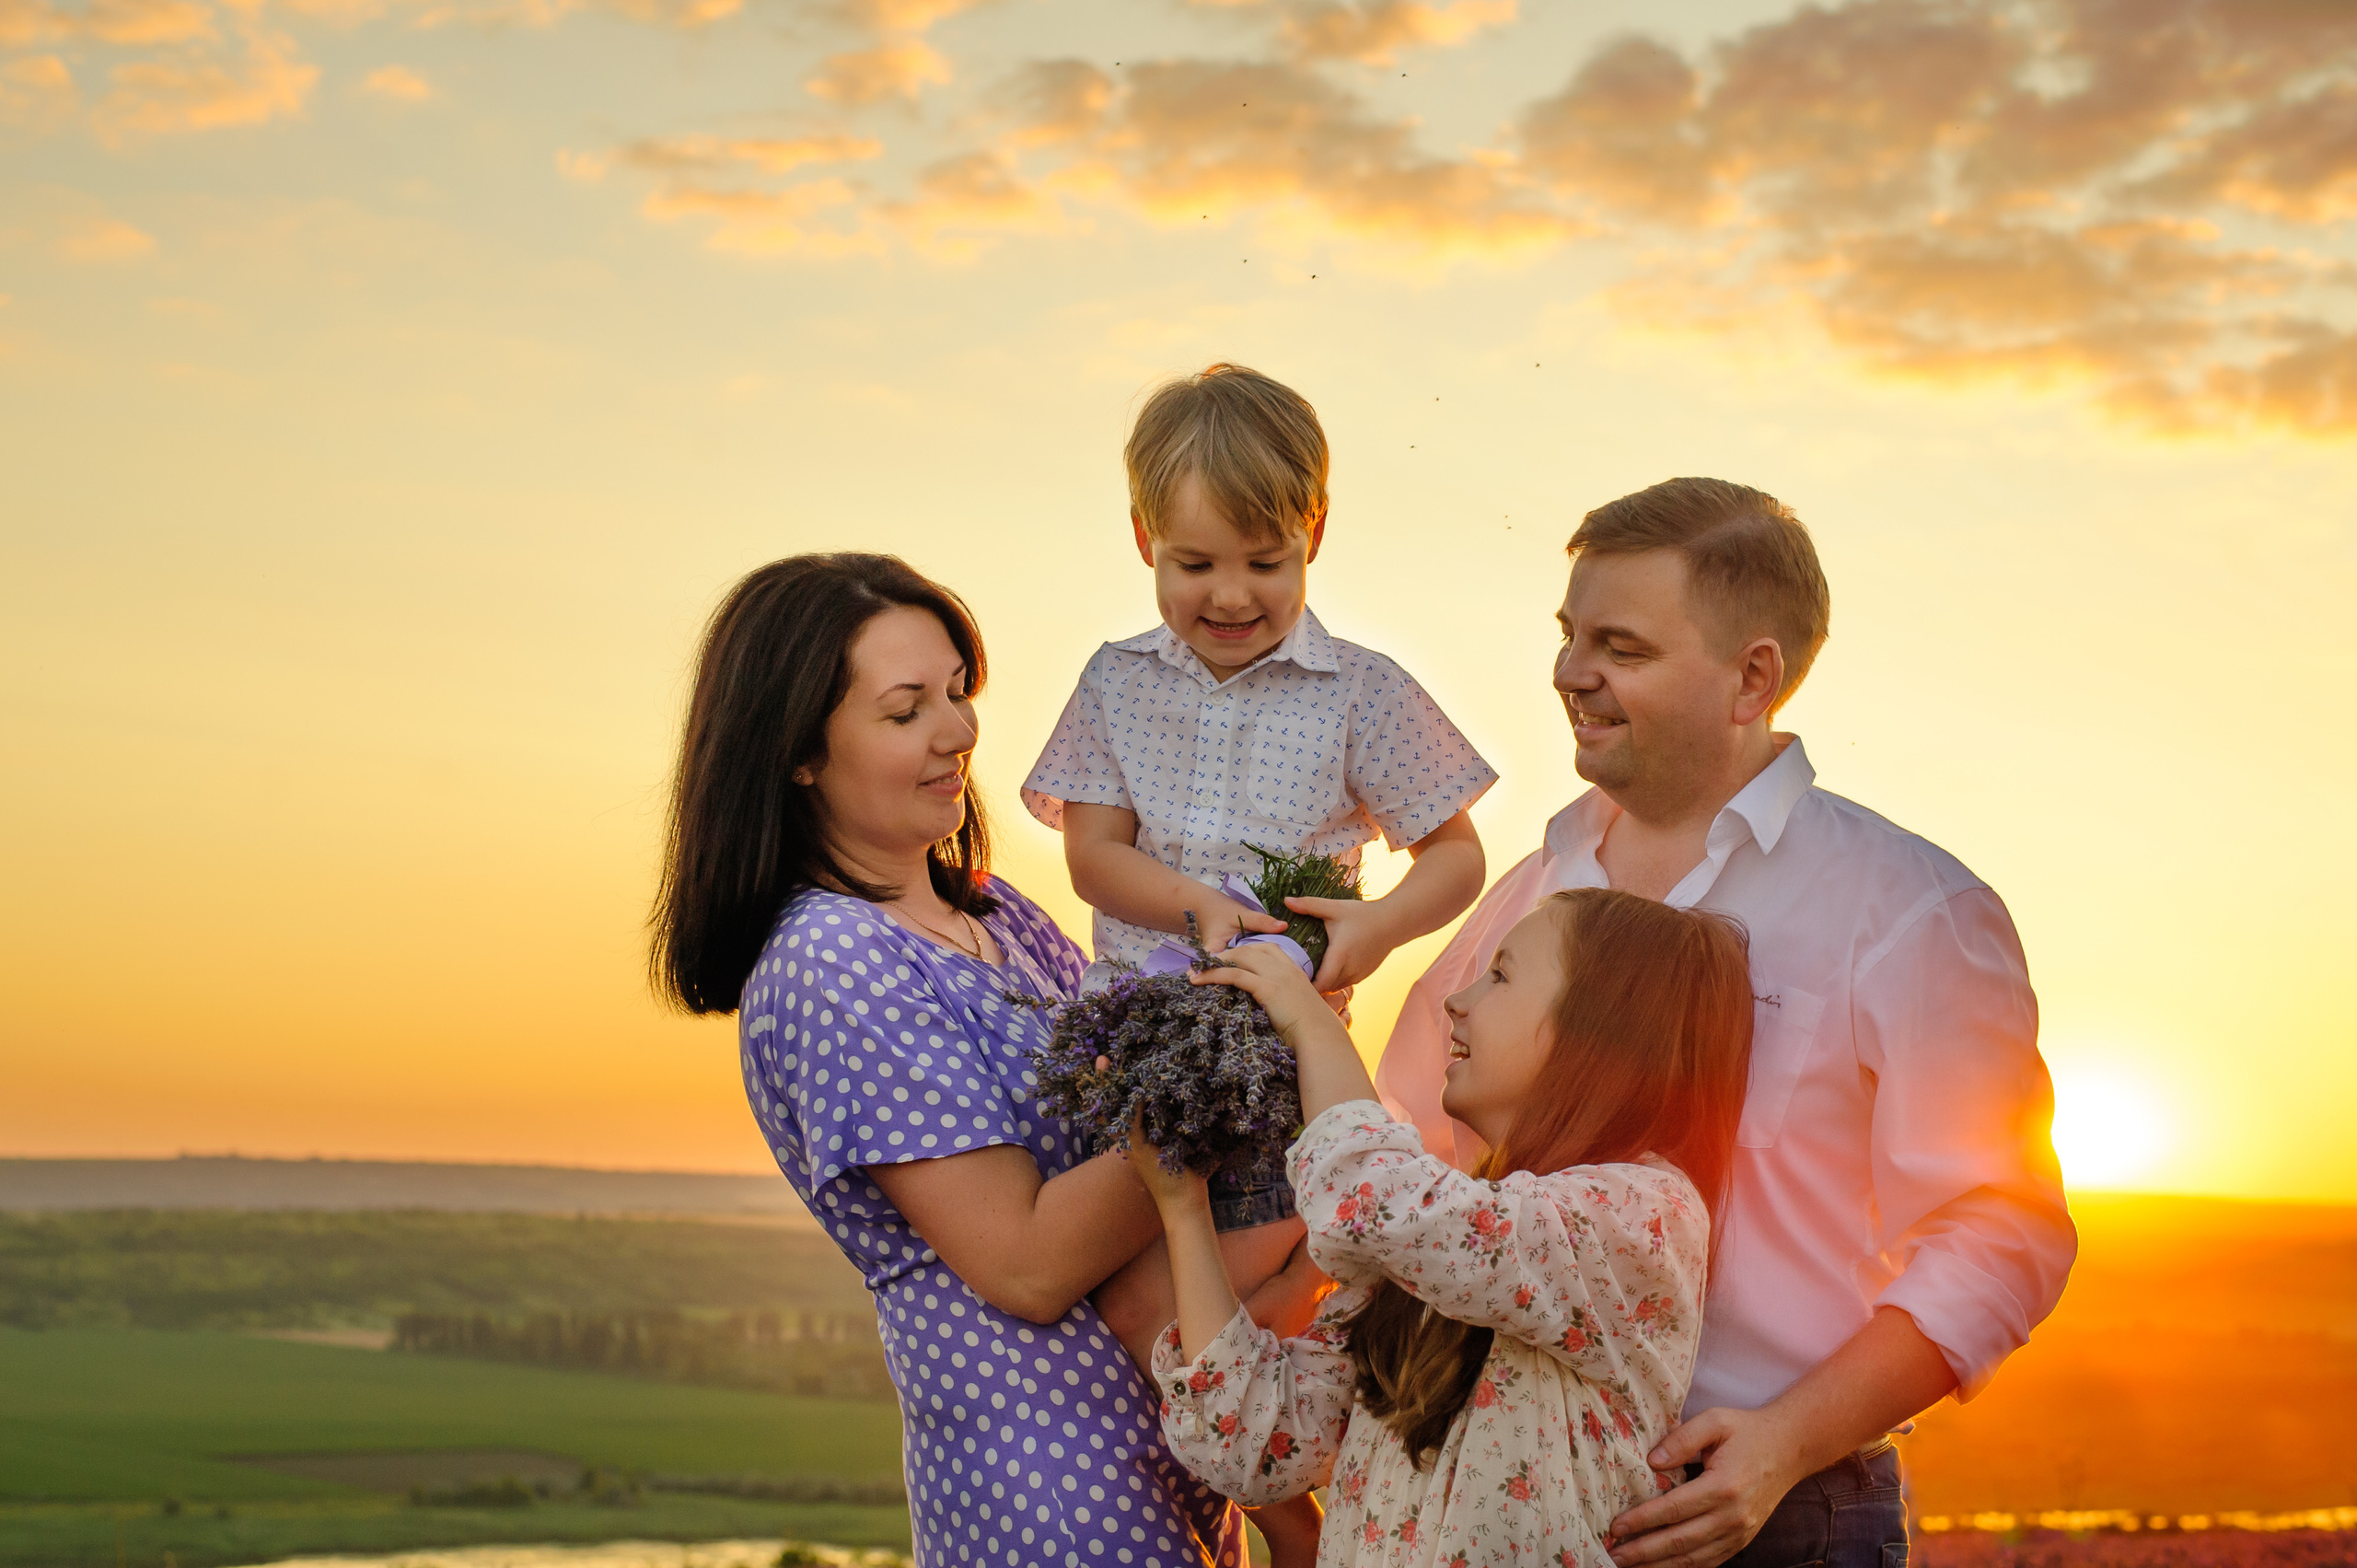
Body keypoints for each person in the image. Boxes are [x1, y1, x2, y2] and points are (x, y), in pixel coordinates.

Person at [1376, 479, 2077, 1568]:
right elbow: (1405, 1146)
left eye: (1620, 646)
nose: (1569, 673)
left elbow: (2001, 1233)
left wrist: (1784, 1444)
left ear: (1753, 675)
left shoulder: (1905, 909)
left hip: (1773, 1513)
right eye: (1568, 637)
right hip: (1507, 1498)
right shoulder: (1525, 891)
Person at [651, 552, 1322, 1568]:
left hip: (1166, 1450)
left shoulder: (995, 910)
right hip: (1049, 1487)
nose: (958, 729)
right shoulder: (831, 957)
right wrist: (1243, 1059)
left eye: (959, 692)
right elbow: (1026, 1261)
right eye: (905, 708)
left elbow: (1112, 1130)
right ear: (797, 752)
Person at [1021, 366, 1498, 1500]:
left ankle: (1295, 1512)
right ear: (1142, 538)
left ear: (1313, 533)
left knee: (1215, 1321)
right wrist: (1194, 904)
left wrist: (1374, 928)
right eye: (1194, 564)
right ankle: (1266, 1498)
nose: (1230, 594)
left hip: (1283, 1075)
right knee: (1144, 1319)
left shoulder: (1360, 692)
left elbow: (1457, 854)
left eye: (1262, 561)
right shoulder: (1115, 680)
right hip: (1138, 1057)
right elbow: (1092, 853)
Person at [1135, 889, 1755, 1566]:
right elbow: (1254, 1441)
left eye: (1501, 974)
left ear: (1603, 1029)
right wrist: (1183, 1204)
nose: (1456, 999)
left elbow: (1375, 1200)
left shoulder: (1642, 1216)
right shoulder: (1437, 1254)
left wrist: (1311, 1025)